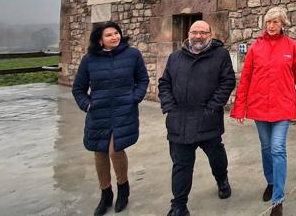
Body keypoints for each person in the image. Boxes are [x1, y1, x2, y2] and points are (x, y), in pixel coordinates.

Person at [230, 7, 296, 216]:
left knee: (277, 148)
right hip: (259, 107)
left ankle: (278, 199)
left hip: (282, 107)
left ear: (283, 24)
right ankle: (270, 181)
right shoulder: (255, 48)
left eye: (275, 22)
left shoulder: (292, 47)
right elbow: (246, 80)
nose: (271, 26)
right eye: (269, 22)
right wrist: (239, 108)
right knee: (266, 148)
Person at [158, 20, 236, 216]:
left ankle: (222, 179)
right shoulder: (175, 57)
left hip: (207, 119)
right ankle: (179, 205)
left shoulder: (220, 55)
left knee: (216, 156)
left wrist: (212, 107)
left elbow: (227, 82)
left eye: (203, 32)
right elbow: (164, 83)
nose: (198, 36)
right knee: (181, 165)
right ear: (188, 34)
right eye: (195, 32)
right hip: (179, 121)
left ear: (210, 34)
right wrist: (169, 107)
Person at [72, 21, 150, 215]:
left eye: (116, 33)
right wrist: (88, 105)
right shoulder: (89, 60)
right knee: (99, 152)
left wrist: (134, 98)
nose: (115, 37)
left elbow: (143, 80)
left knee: (115, 150)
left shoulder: (132, 55)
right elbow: (78, 88)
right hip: (98, 113)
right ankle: (105, 194)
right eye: (109, 35)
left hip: (124, 111)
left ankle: (123, 188)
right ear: (100, 40)